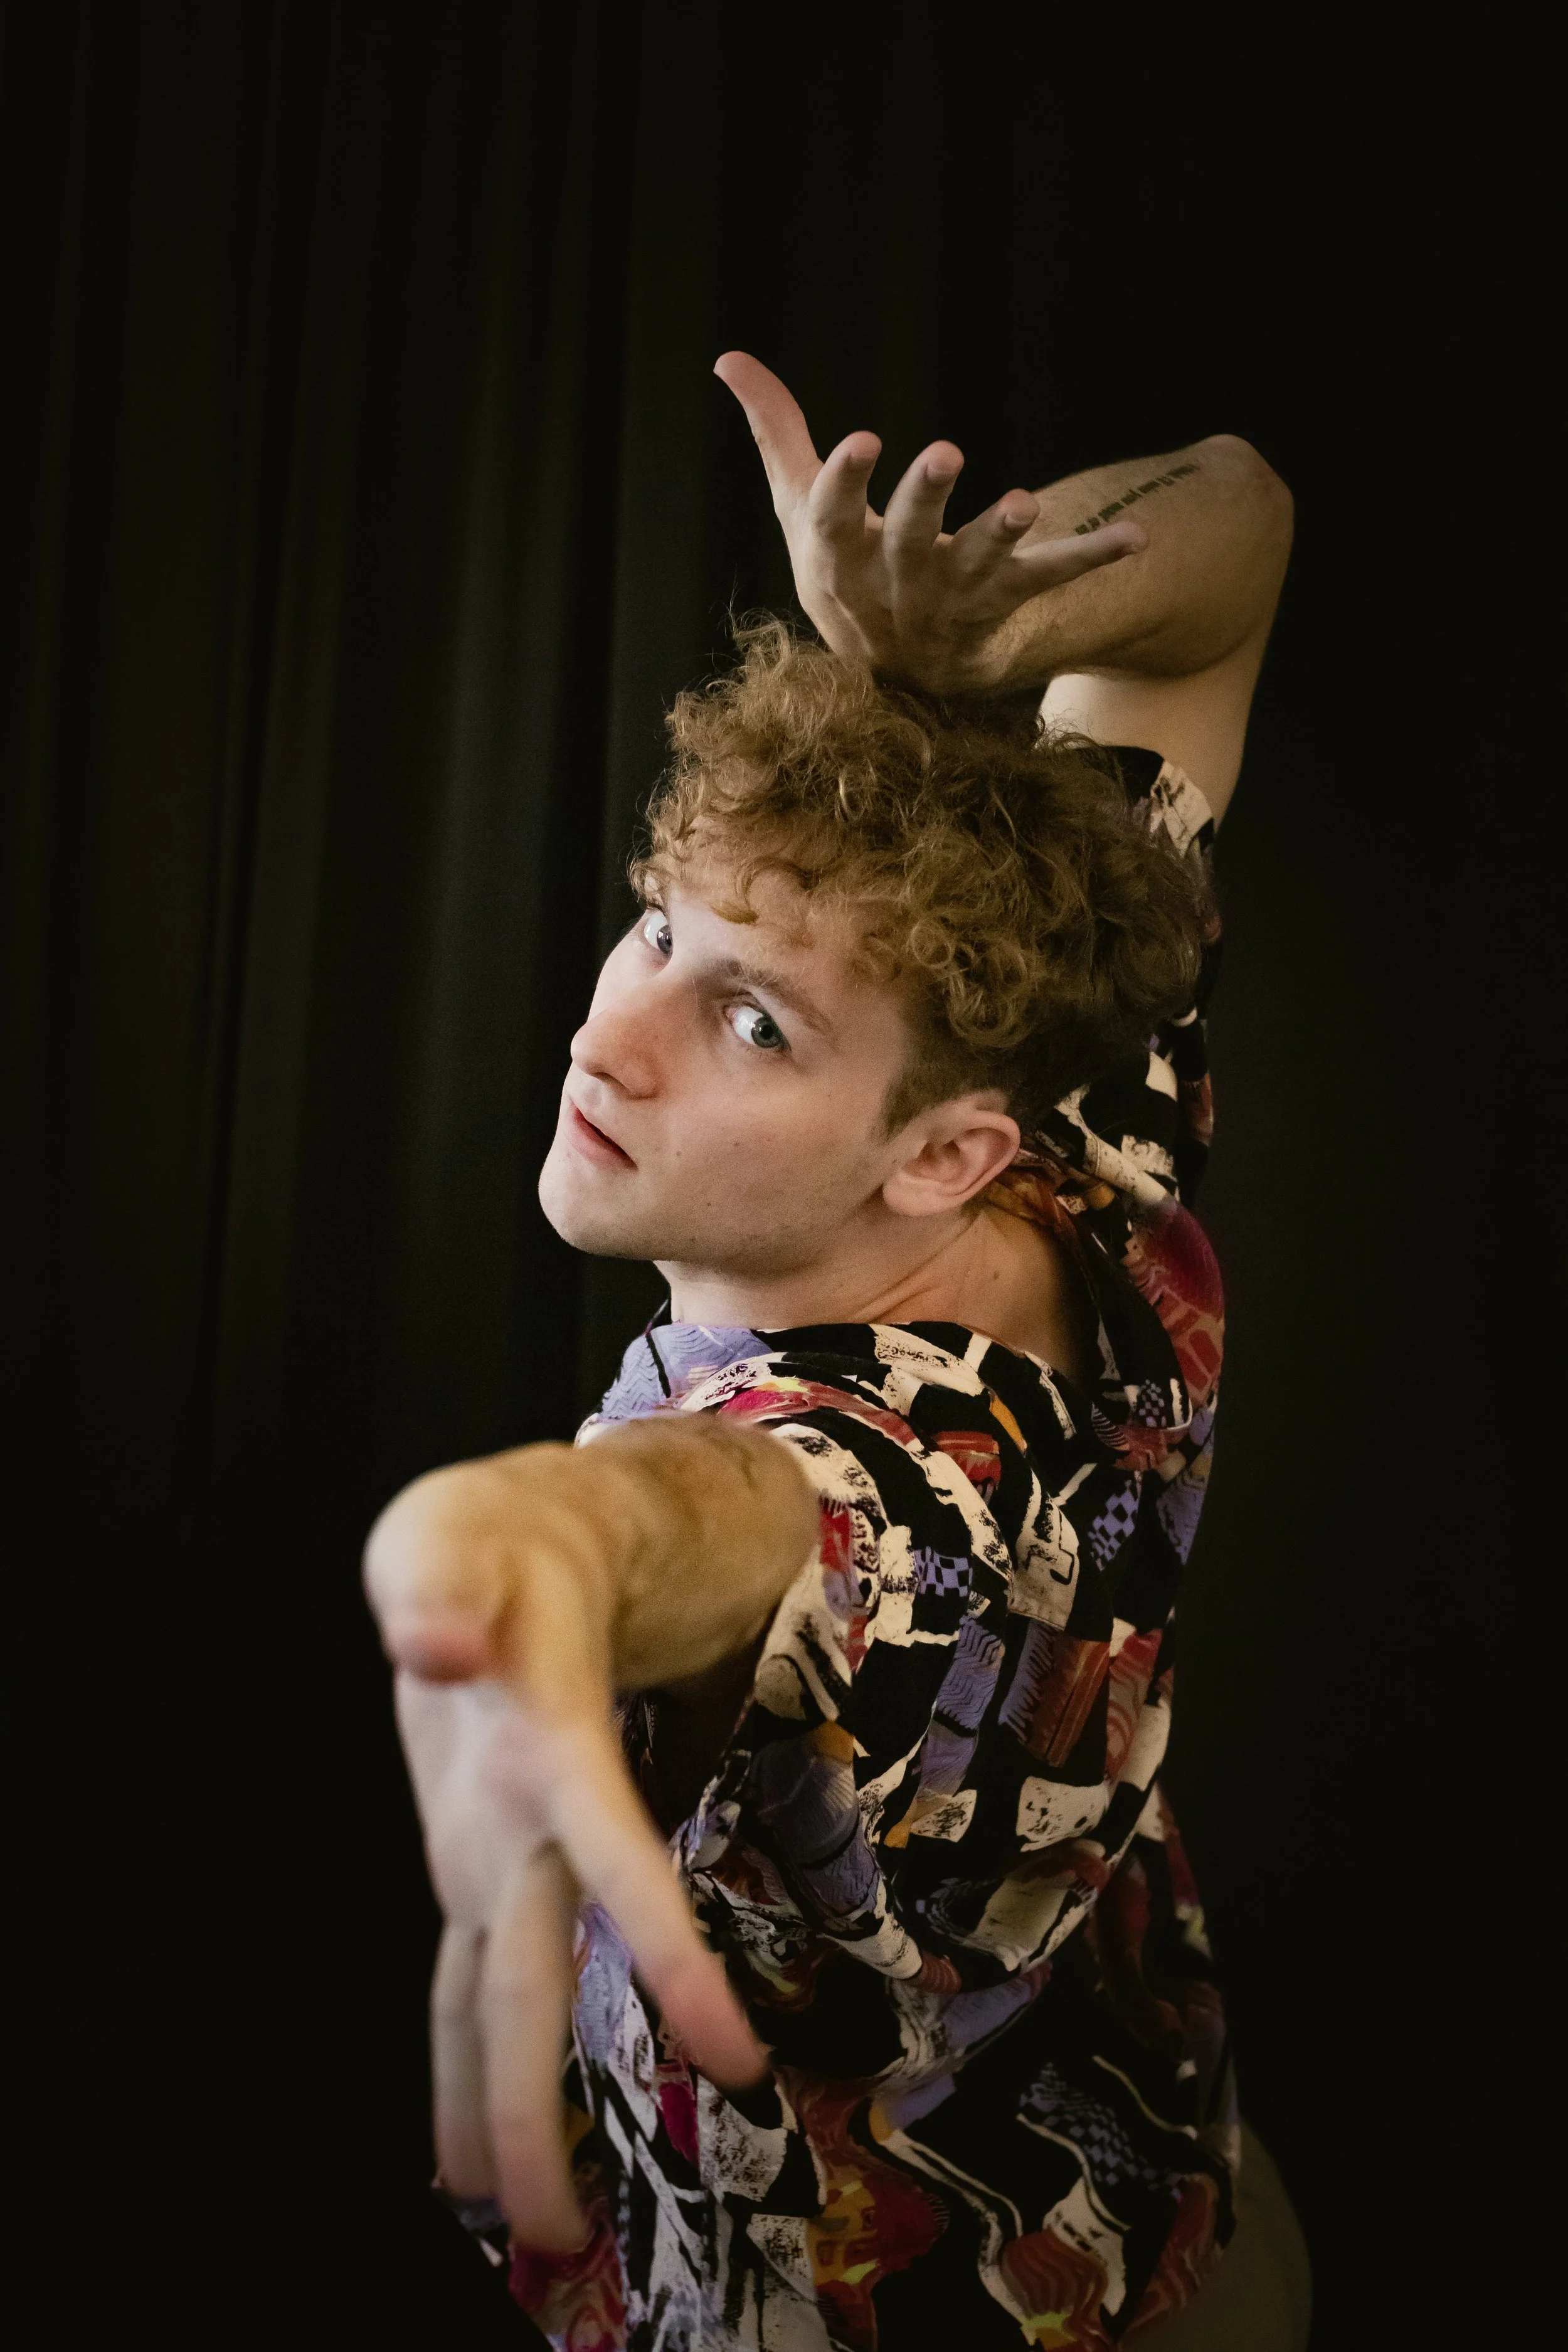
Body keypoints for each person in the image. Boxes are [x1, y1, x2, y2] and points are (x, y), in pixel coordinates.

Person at [364, 354, 1305, 2349]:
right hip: (1163, 2179)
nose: (610, 1035)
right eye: (658, 929)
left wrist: (519, 1548)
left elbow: (727, 1514)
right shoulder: (1076, 1120)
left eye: (754, 1020)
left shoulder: (889, 1471)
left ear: (936, 1151)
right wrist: (985, 643)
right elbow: (1237, 514)